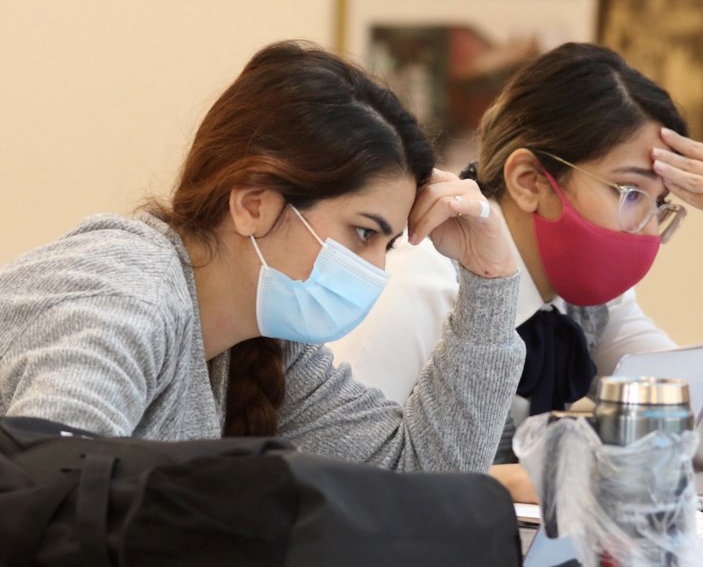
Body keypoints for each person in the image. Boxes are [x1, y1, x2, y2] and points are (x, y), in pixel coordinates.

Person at [0, 40, 525, 474]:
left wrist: (491, 279)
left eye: (386, 247)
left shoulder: (266, 344)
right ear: (254, 203)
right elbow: (44, 502)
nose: (375, 270)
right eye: (363, 233)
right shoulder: (124, 289)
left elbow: (420, 481)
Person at [330, 42, 703, 500]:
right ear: (528, 181)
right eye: (629, 192)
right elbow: (334, 481)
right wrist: (497, 482)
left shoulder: (587, 303)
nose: (646, 228)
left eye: (659, 204)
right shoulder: (419, 282)